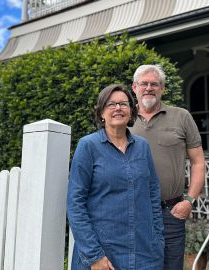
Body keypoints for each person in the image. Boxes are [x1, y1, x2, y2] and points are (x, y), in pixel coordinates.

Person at [67, 84, 164, 270]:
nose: (118, 108)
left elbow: (153, 193)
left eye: (123, 104)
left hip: (144, 254)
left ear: (131, 111)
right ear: (101, 113)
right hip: (104, 256)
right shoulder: (88, 146)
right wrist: (94, 256)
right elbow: (75, 203)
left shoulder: (142, 147)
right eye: (111, 104)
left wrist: (157, 240)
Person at [130, 64, 206, 270]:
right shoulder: (124, 120)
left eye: (154, 84)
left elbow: (198, 162)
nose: (149, 88)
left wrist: (189, 200)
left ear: (162, 88)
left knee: (171, 266)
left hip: (170, 211)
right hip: (131, 211)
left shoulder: (181, 116)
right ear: (134, 87)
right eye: (144, 83)